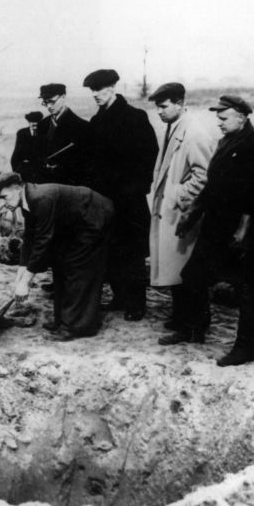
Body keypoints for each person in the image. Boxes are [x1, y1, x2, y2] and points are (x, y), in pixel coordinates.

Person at [162, 95, 254, 368]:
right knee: (192, 275)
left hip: (243, 232)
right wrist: (192, 214)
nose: (219, 123)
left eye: (223, 118)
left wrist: (243, 231)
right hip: (216, 226)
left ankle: (246, 348)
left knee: (247, 290)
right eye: (218, 118)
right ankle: (195, 328)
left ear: (242, 117)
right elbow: (212, 186)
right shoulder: (226, 142)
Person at [0, 171, 114, 340]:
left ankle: (77, 326)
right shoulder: (27, 200)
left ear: (18, 188)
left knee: (77, 268)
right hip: (77, 222)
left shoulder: (40, 198)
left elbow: (42, 241)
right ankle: (62, 320)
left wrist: (26, 281)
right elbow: (29, 238)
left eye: (5, 197)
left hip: (94, 217)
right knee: (60, 263)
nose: (4, 204)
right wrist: (21, 273)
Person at [83, 69, 158, 321]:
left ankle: (136, 303)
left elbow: (149, 155)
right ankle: (119, 297)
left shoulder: (135, 117)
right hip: (104, 200)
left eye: (100, 89)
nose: (95, 95)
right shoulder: (96, 121)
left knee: (133, 253)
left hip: (130, 201)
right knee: (110, 250)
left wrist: (136, 188)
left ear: (113, 87)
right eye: (92, 90)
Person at [146, 83, 215, 332]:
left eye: (164, 107)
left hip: (184, 215)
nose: (160, 112)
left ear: (179, 104)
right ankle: (180, 317)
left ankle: (193, 323)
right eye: (158, 107)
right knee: (175, 269)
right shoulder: (173, 128)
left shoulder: (195, 133)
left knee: (186, 271)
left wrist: (176, 196)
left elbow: (204, 176)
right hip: (171, 212)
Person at [35, 83, 93, 186]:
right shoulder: (42, 125)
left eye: (52, 102)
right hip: (45, 185)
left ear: (63, 97)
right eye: (45, 102)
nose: (49, 106)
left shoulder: (82, 127)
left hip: (69, 186)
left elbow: (85, 164)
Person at [10, 111, 46, 182]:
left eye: (37, 122)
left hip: (39, 169)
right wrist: (17, 170)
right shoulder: (21, 133)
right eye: (32, 122)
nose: (35, 124)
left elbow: (44, 152)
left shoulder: (44, 133)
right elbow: (16, 153)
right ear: (29, 122)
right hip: (24, 168)